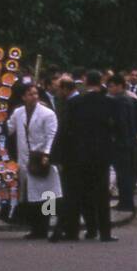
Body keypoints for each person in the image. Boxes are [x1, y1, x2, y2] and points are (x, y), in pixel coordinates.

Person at [54, 71, 119, 242]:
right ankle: (105, 232)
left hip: (77, 155)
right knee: (101, 194)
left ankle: (72, 232)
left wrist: (60, 155)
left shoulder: (75, 103)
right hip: (101, 155)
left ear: (85, 82)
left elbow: (65, 129)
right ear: (101, 82)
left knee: (75, 193)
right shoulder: (109, 103)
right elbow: (115, 128)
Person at [9, 83, 60, 239]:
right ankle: (35, 228)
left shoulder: (47, 113)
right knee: (31, 195)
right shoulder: (18, 113)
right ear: (23, 97)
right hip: (25, 159)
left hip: (42, 158)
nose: (34, 97)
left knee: (48, 194)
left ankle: (46, 226)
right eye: (30, 94)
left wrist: (47, 154)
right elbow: (9, 128)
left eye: (36, 93)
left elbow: (52, 135)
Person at [107, 74, 137, 212]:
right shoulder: (129, 99)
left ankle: (125, 203)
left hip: (121, 143)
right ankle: (127, 201)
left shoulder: (118, 101)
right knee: (127, 173)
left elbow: (120, 123)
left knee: (123, 174)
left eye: (112, 86)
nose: (109, 89)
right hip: (130, 141)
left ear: (120, 86)